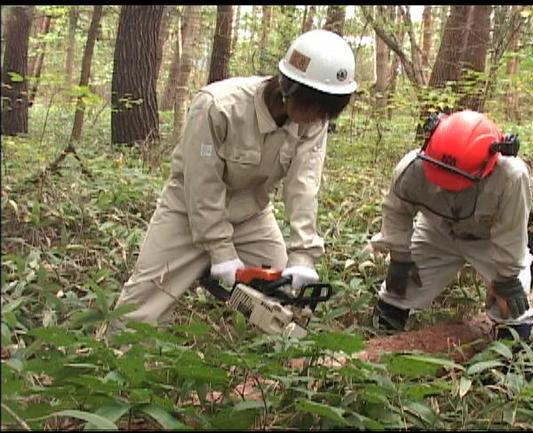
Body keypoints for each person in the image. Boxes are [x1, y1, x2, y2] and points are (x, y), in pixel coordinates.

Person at [114, 29, 357, 324]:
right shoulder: (219, 106)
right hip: (187, 212)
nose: (316, 117)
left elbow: (304, 185)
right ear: (288, 87)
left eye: (326, 111)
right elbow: (202, 185)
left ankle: (269, 362)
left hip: (250, 215)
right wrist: (220, 251)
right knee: (143, 304)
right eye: (313, 106)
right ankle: (116, 357)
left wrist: (303, 255)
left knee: (282, 301)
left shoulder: (313, 123)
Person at [369, 110, 533, 342]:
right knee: (400, 288)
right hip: (438, 229)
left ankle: (514, 362)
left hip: (489, 240)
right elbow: (397, 211)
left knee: (511, 305)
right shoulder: (411, 168)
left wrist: (507, 276)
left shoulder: (511, 177)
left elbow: (511, 230)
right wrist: (400, 255)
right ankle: (382, 342)